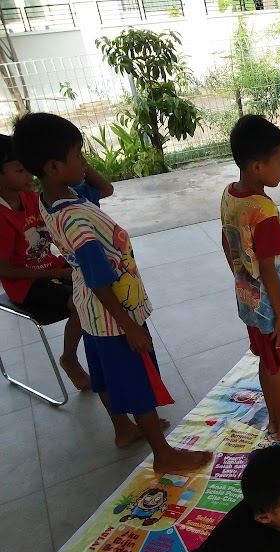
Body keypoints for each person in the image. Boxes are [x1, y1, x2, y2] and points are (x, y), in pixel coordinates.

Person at [13, 112, 211, 471]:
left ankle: (124, 429)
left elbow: (106, 189)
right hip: (112, 313)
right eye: (78, 154)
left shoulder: (57, 197)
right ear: (55, 166)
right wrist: (129, 326)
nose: (85, 161)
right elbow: (98, 279)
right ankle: (164, 455)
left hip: (90, 312)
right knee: (136, 382)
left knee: (105, 373)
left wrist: (80, 168)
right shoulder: (75, 218)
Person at [0, 134, 114, 390]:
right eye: (20, 170)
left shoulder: (33, 197)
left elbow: (104, 189)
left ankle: (105, 357)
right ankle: (69, 358)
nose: (29, 175)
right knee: (82, 302)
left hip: (53, 267)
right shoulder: (2, 217)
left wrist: (79, 160)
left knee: (102, 289)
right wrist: (57, 272)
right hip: (25, 285)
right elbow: (5, 269)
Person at [221, 115, 280, 441]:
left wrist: (241, 279)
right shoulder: (263, 211)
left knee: (267, 360)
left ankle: (277, 413)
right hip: (271, 307)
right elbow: (269, 269)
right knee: (276, 366)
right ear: (257, 166)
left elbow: (226, 240)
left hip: (249, 298)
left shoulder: (230, 194)